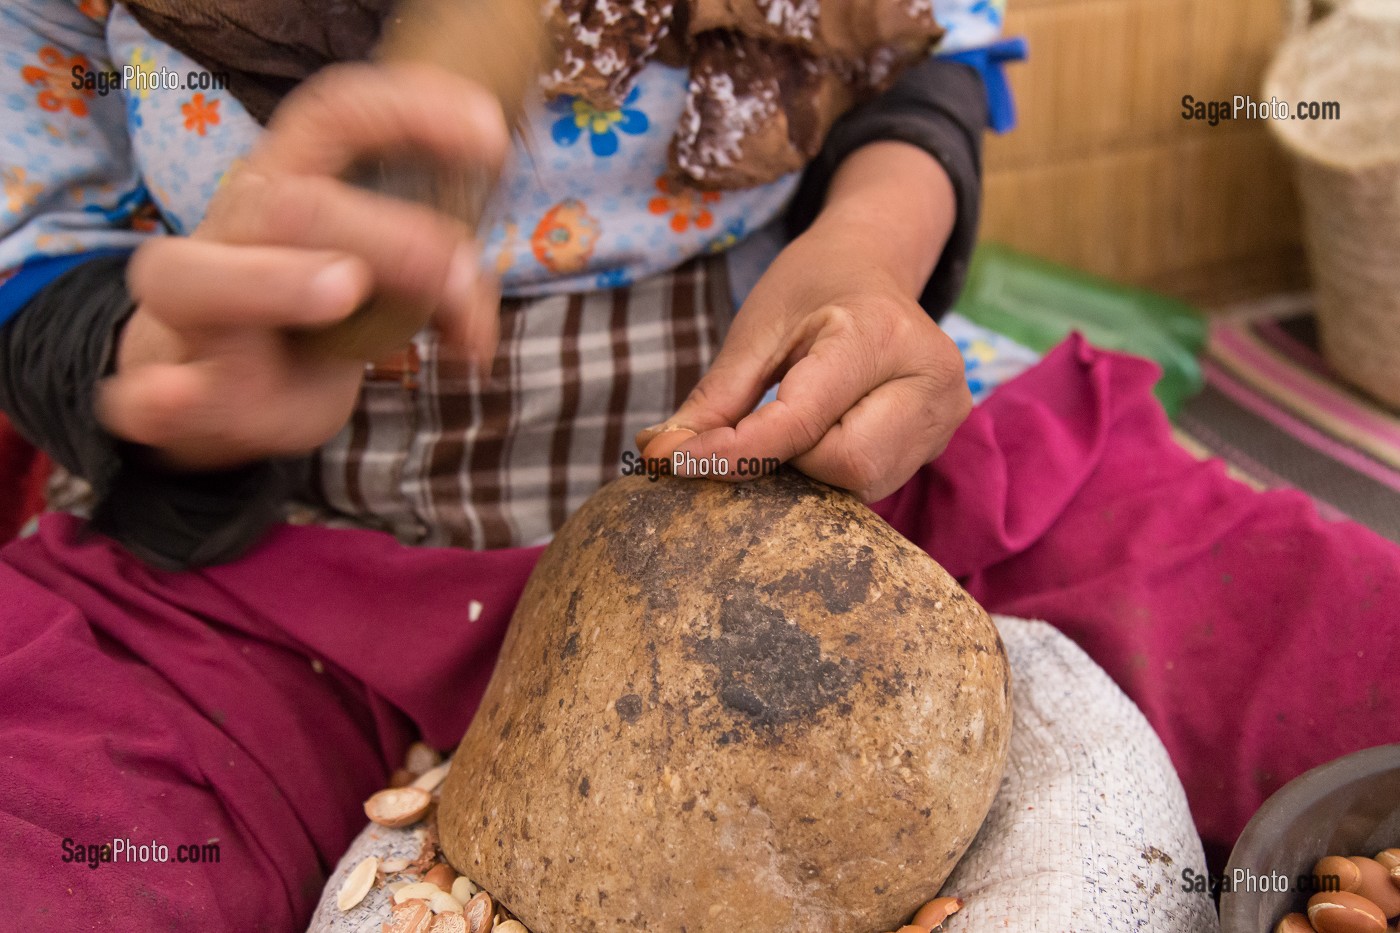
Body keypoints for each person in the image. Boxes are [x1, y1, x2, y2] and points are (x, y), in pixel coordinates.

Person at [0, 0, 1020, 927]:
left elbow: (930, 58)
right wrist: (179, 377)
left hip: (802, 516)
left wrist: (866, 253)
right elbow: (34, 252)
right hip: (257, 582)